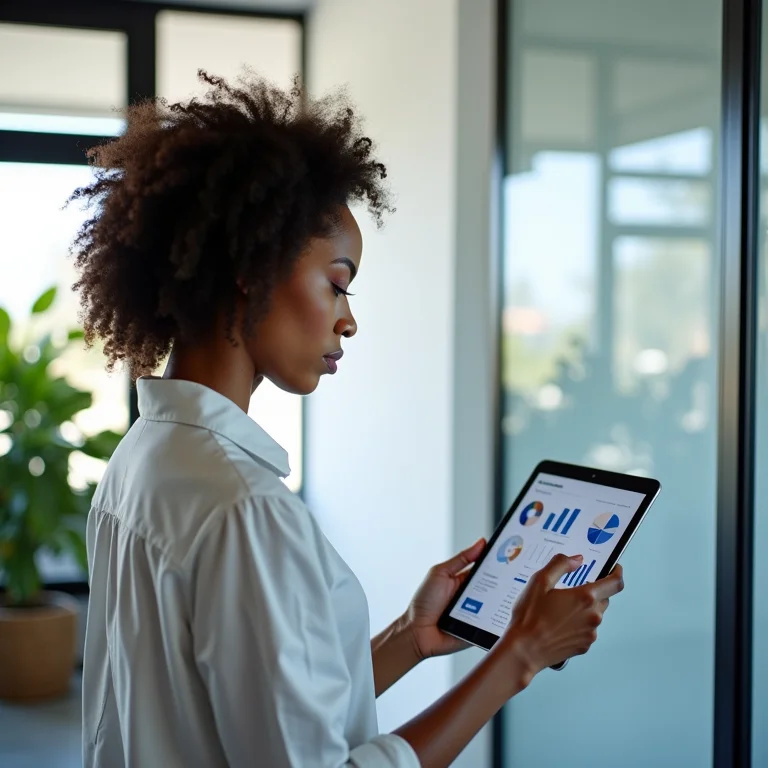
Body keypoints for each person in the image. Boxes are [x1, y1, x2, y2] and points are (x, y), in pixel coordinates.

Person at [73, 72, 624, 768]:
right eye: (336, 283)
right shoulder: (245, 509)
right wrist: (521, 653)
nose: (349, 319)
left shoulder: (141, 462)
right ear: (251, 269)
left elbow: (251, 708)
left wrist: (410, 637)